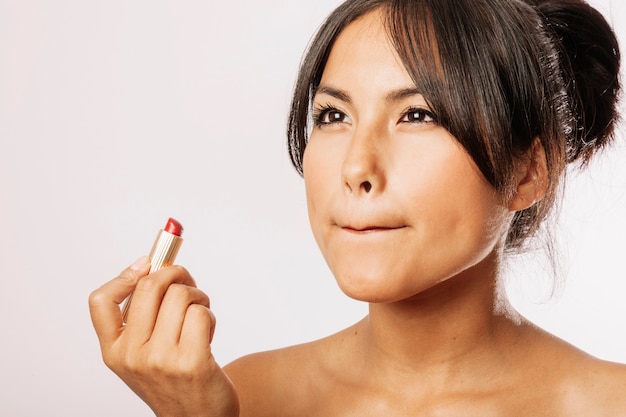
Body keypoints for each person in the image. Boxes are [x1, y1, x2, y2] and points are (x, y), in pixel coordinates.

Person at [89, 0, 625, 415]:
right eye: (332, 116)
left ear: (530, 171)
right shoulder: (240, 395)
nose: (355, 168)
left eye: (417, 115)